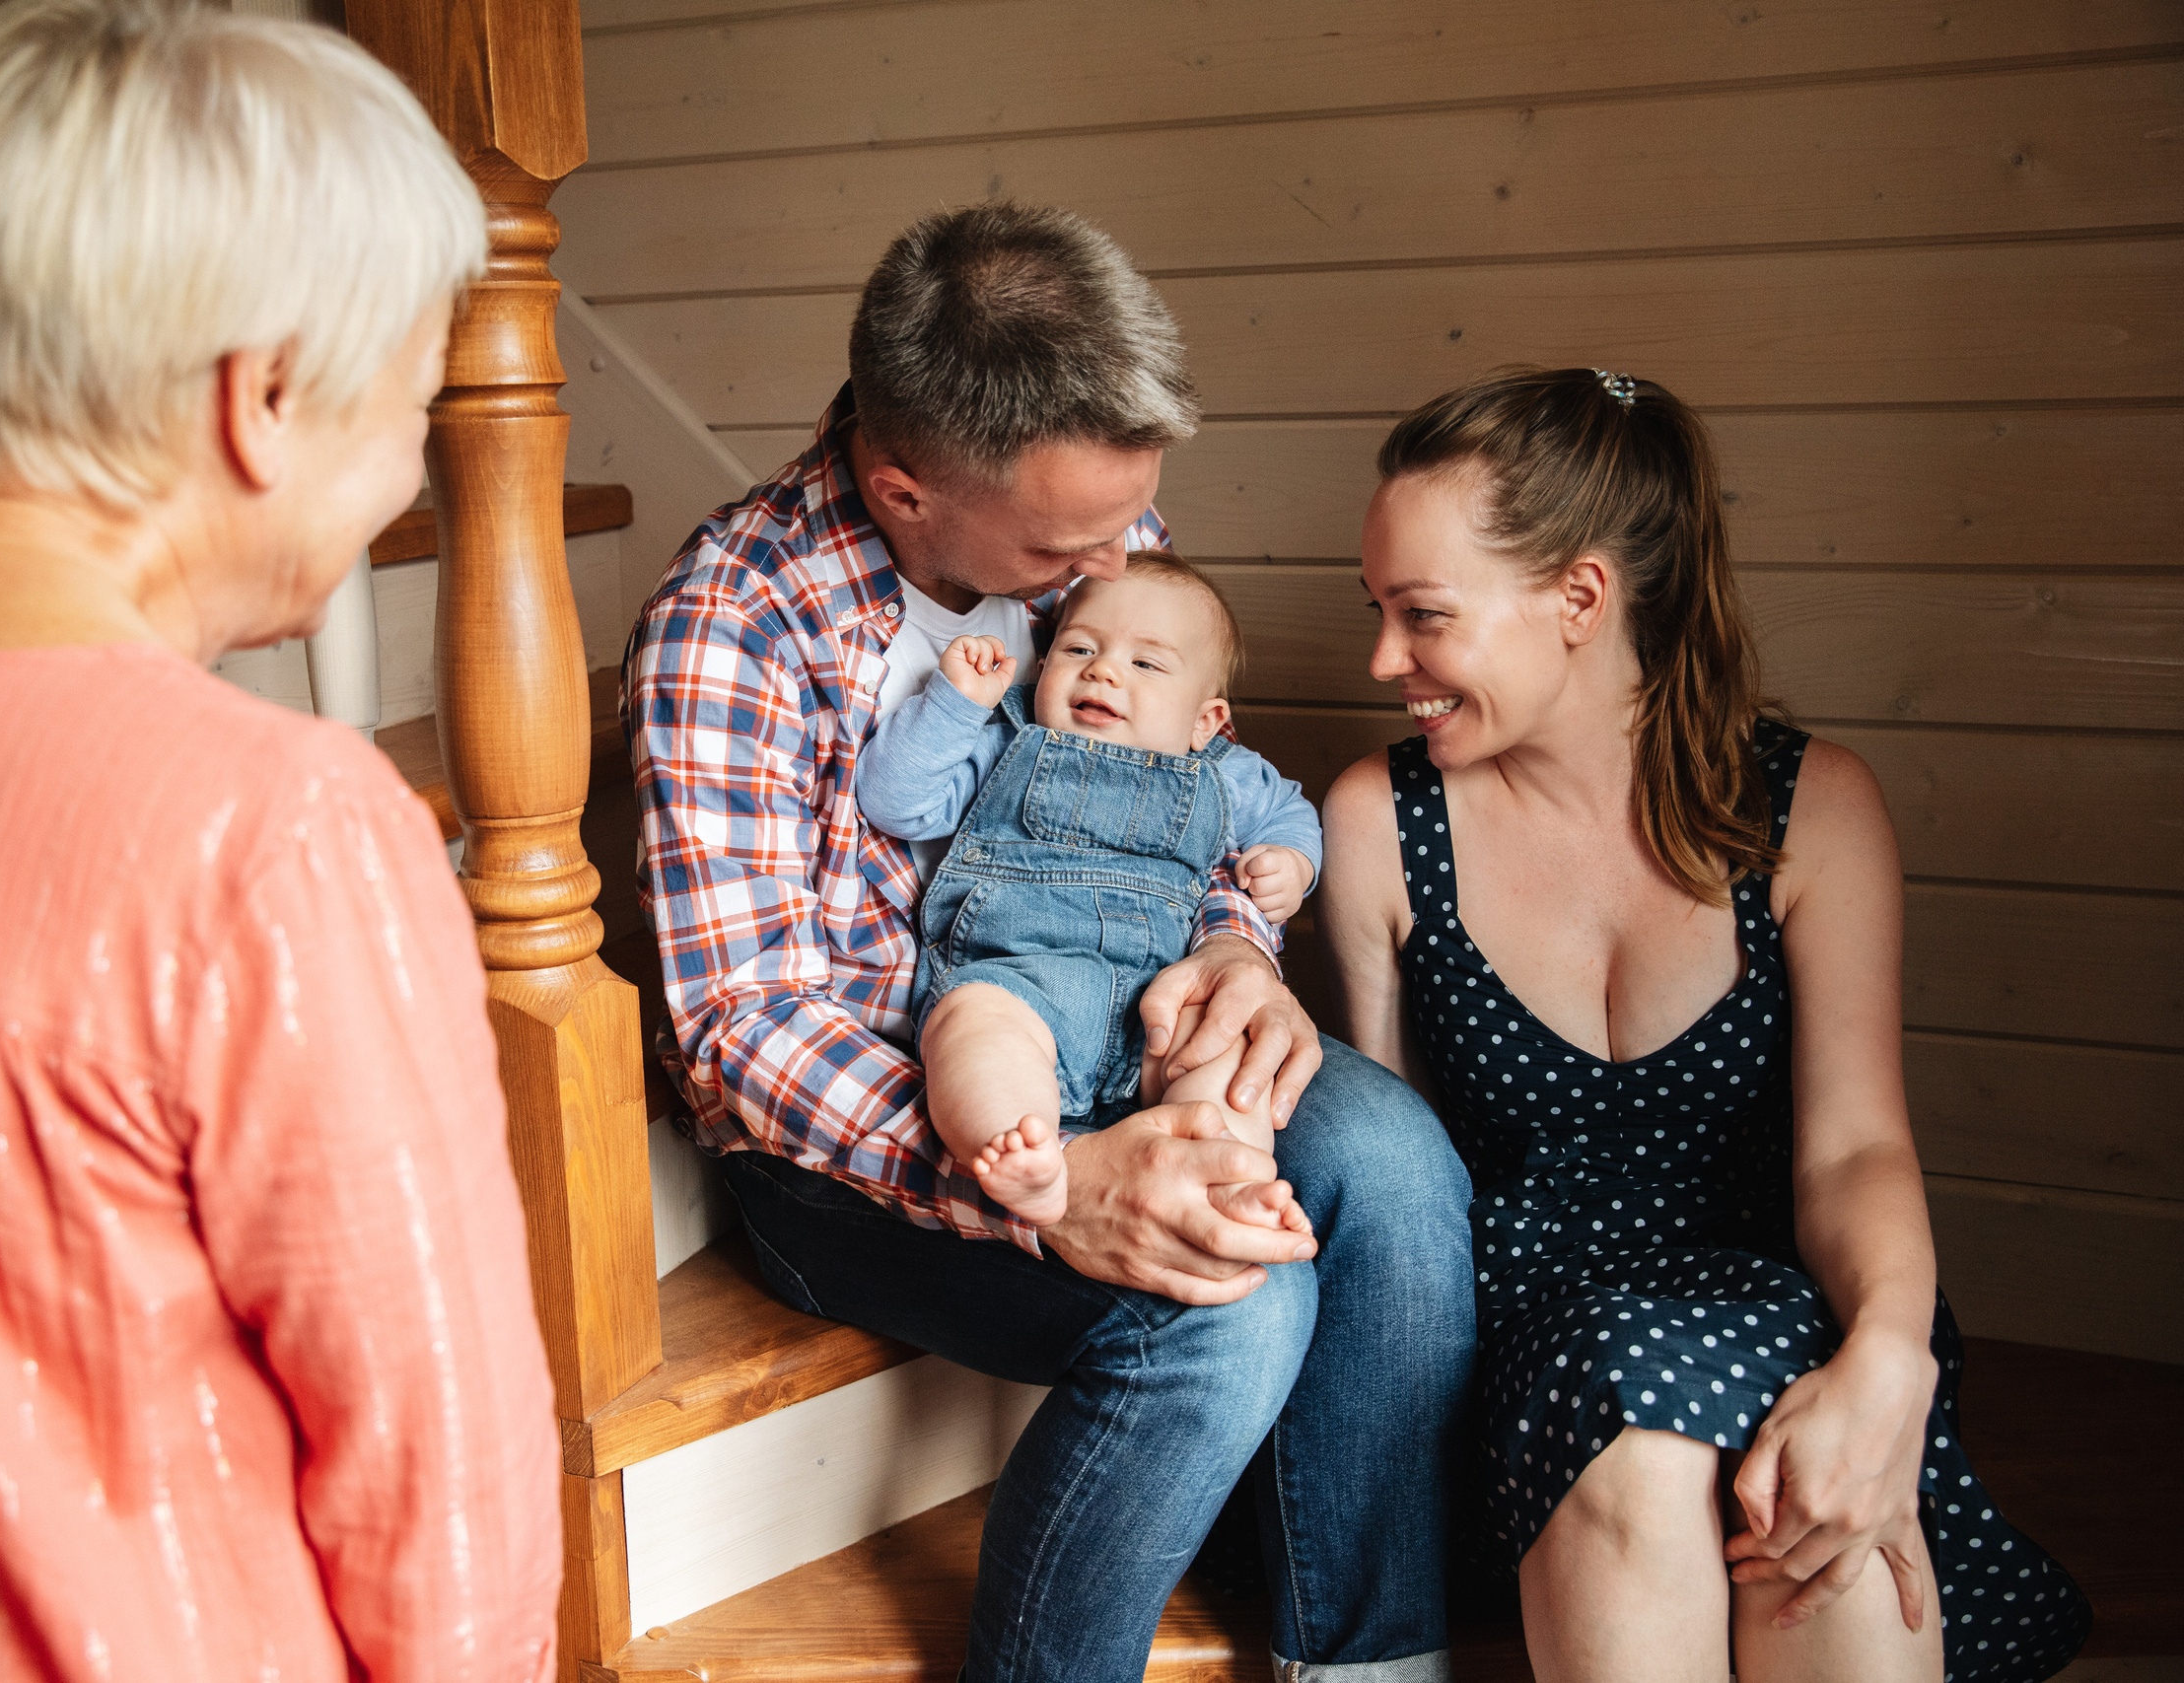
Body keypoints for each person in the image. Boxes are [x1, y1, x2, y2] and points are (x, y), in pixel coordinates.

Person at [0, 4, 561, 1678]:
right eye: (409, 414)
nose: (400, 481)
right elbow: (444, 1511)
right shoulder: (271, 835)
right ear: (267, 397)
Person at [625, 201, 1474, 1682]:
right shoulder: (729, 632)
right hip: (861, 1133)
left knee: (1395, 1165)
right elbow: (741, 1030)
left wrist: (1235, 951)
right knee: (1225, 1302)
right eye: (1071, 545)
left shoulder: (1092, 523)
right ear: (903, 489)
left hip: (1120, 1008)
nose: (1115, 561)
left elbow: (1173, 773)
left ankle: (1359, 1659)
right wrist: (1047, 1181)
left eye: (1129, 524)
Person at [1317, 365, 2089, 1682]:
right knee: (1641, 1438)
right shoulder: (1378, 827)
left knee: (1811, 1486)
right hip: (1517, 1346)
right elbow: (1398, 1197)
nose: (1386, 659)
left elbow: (1852, 1149)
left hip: (1773, 1306)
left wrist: (1887, 1360)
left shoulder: (1812, 810)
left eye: (1423, 615)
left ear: (1579, 598)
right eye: (1379, 611)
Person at [855, 553, 1317, 1227]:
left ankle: (1224, 1179)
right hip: (1018, 982)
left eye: (1146, 664)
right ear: (1042, 668)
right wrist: (954, 707)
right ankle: (1023, 1158)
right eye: (1078, 648)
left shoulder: (1227, 773)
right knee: (972, 1033)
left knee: (1225, 1055)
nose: (1103, 670)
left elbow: (1291, 811)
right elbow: (897, 801)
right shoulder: (1007, 741)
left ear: (1204, 720)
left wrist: (1292, 862)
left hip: (1163, 1007)